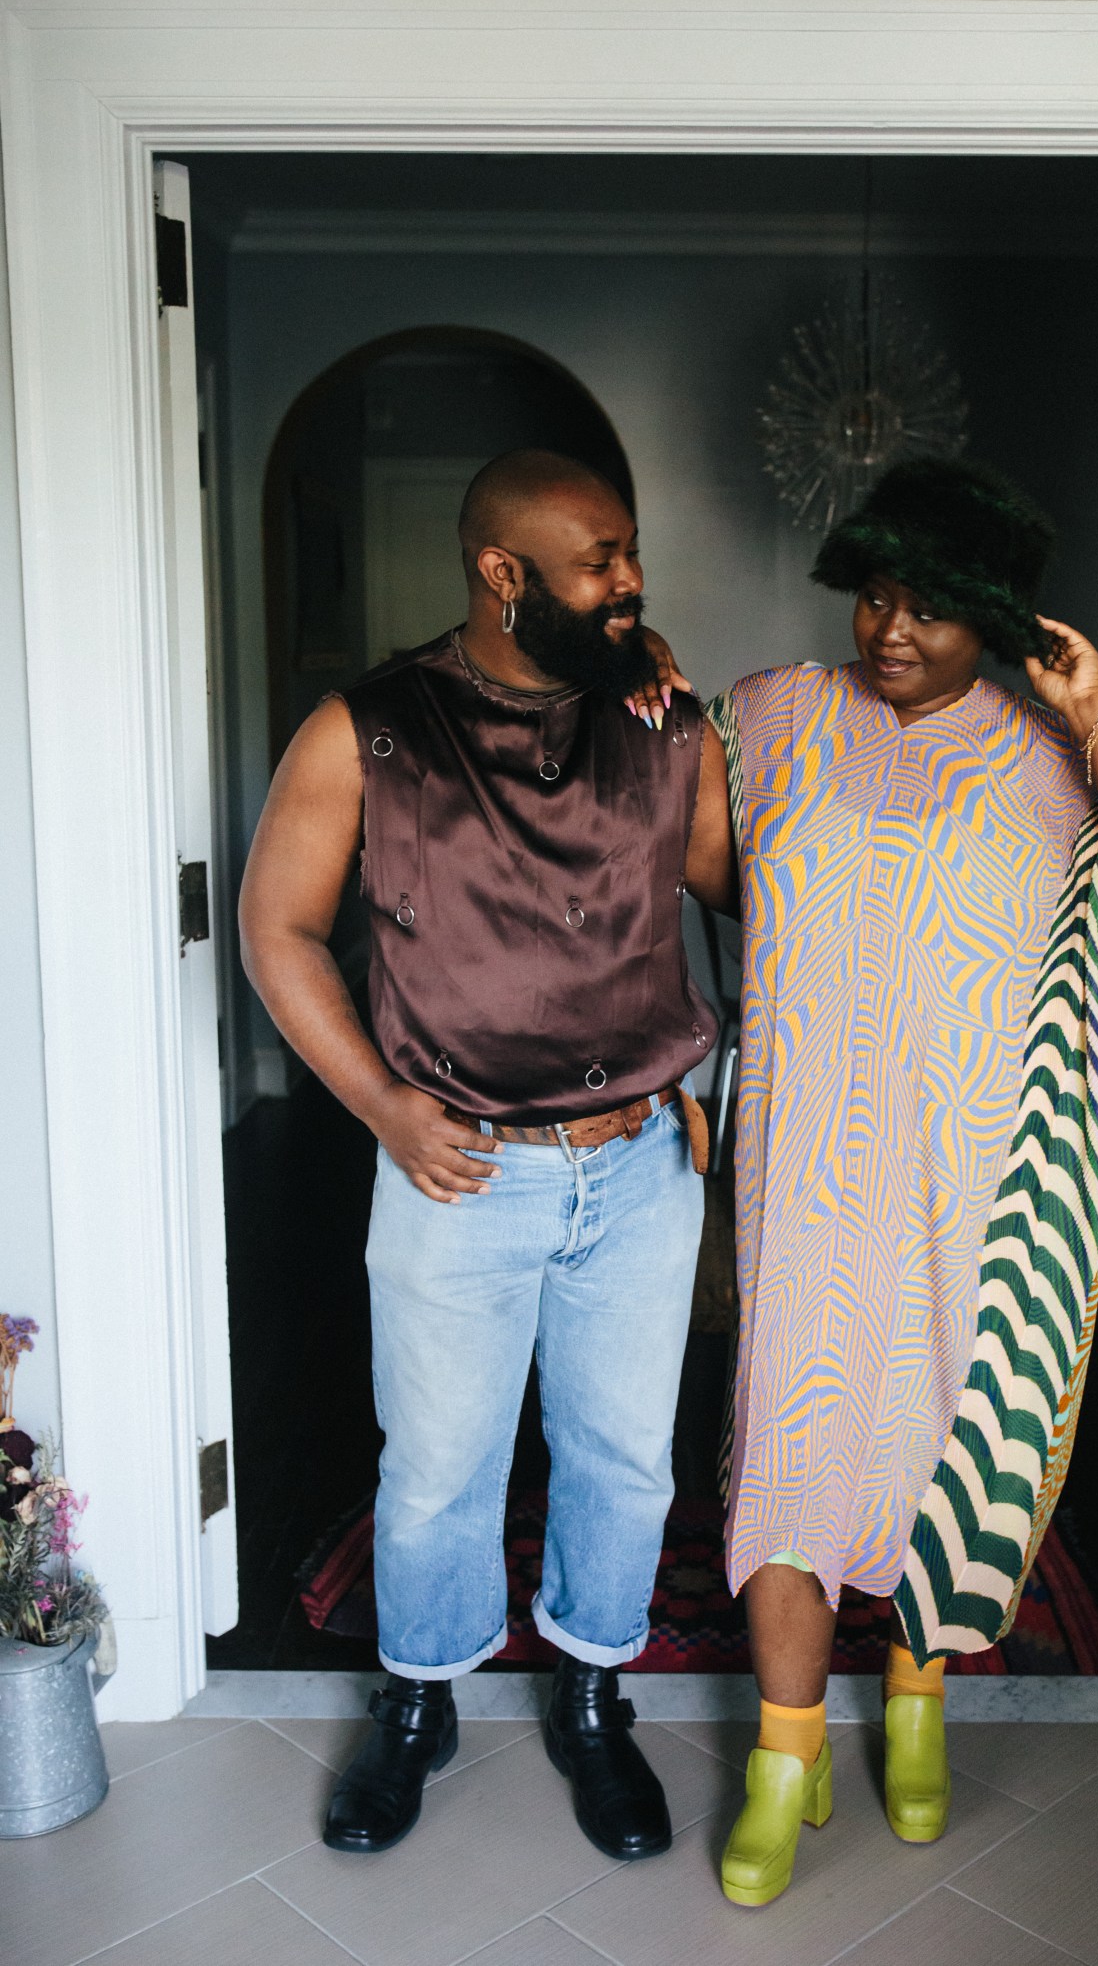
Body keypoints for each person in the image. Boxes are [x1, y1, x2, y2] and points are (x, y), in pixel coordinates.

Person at [634, 456, 1098, 1907]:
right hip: (801, 1164)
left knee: (942, 1438)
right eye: (875, 594)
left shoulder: (1047, 754)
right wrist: (657, 729)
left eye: (930, 607)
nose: (890, 626)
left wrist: (1094, 716)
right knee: (782, 1436)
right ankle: (782, 1756)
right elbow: (706, 875)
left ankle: (911, 1708)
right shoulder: (768, 716)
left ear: (992, 617)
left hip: (974, 1175)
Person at [239, 449, 735, 1859]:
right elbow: (277, 930)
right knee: (441, 1468)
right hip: (459, 1168)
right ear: (500, 573)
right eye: (597, 560)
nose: (628, 579)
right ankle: (418, 1703)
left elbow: (744, 892)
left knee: (623, 1462)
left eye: (630, 552)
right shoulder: (369, 731)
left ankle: (589, 1697)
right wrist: (385, 1110)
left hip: (637, 1162)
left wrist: (713, 732)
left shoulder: (658, 717)